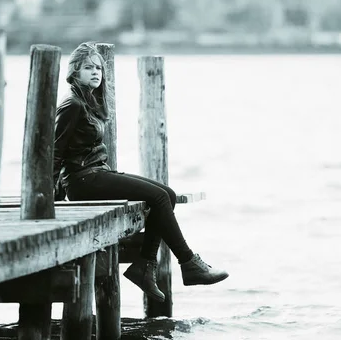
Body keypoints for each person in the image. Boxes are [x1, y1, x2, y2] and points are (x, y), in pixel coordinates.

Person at [52, 42, 228, 302]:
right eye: (88, 67)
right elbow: (54, 152)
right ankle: (189, 263)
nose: (95, 73)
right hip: (83, 180)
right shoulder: (73, 105)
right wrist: (52, 198)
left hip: (96, 174)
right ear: (74, 72)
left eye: (98, 68)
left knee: (166, 194)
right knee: (158, 198)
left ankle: (145, 266)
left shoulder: (89, 102)